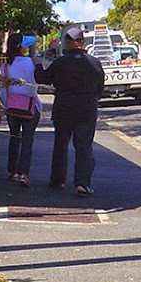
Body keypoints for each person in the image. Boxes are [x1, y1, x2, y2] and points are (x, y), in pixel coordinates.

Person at [39, 25, 105, 196]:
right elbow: (100, 88)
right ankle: (82, 183)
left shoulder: (60, 62)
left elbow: (44, 78)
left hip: (64, 107)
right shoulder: (94, 62)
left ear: (67, 43)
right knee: (83, 146)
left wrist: (40, 63)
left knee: (61, 144)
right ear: (82, 43)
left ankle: (58, 180)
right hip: (87, 108)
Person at [0, 34, 41, 186]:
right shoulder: (31, 63)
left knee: (14, 138)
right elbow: (36, 83)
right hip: (30, 106)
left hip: (12, 106)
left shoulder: (4, 66)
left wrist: (7, 104)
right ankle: (23, 173)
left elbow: (1, 90)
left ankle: (12, 171)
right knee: (27, 140)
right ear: (22, 48)